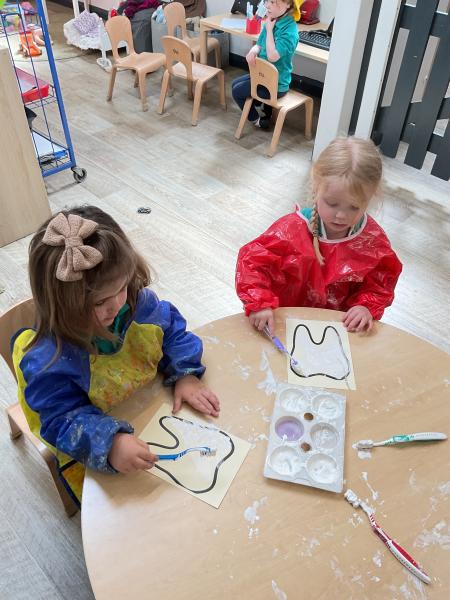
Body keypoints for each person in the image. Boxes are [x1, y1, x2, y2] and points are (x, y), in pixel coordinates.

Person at [12, 206, 220, 505]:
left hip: (149, 409)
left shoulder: (137, 303)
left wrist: (185, 373)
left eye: (121, 287)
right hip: (98, 443)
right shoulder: (50, 361)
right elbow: (63, 420)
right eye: (99, 303)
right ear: (61, 305)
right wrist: (109, 443)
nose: (117, 305)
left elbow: (172, 331)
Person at [235, 137, 403, 333]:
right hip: (286, 324)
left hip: (340, 329)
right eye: (332, 203)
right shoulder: (292, 229)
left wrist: (365, 306)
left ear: (370, 198)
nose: (341, 215)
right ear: (316, 188)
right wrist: (260, 303)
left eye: (354, 207)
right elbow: (253, 263)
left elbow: (380, 281)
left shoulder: (372, 240)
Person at [231, 0, 300, 129]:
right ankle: (263, 106)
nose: (267, 5)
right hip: (262, 77)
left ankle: (257, 120)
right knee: (235, 84)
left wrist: (269, 31)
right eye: (267, 0)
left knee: (237, 91)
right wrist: (252, 52)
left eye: (273, 2)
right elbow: (259, 44)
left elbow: (272, 56)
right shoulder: (272, 19)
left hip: (275, 85)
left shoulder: (290, 32)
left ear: (288, 4)